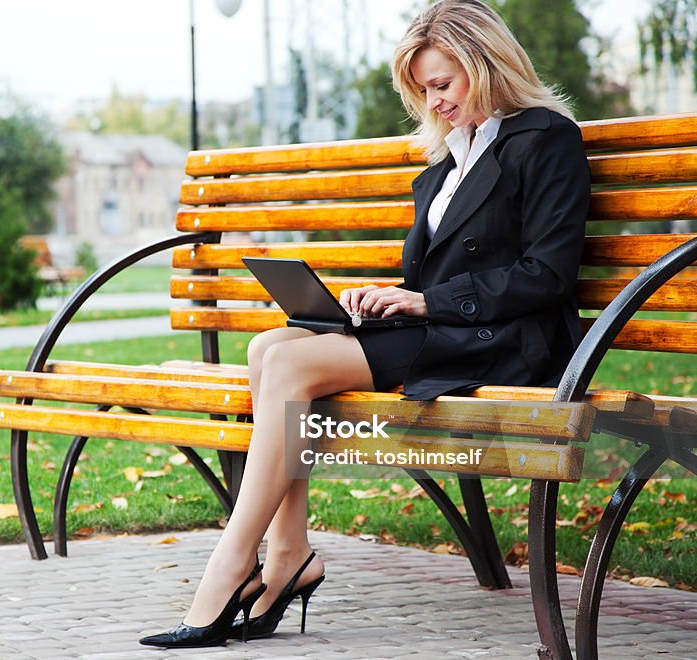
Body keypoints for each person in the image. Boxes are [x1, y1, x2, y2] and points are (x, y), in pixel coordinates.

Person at [140, 0, 591, 648]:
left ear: (485, 64)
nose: (434, 102)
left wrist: (429, 303)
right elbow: (436, 276)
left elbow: (547, 273)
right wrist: (388, 297)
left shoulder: (545, 139)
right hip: (452, 329)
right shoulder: (444, 164)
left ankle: (234, 564)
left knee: (293, 363)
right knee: (272, 345)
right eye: (423, 90)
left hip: (511, 343)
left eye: (443, 83)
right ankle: (288, 552)